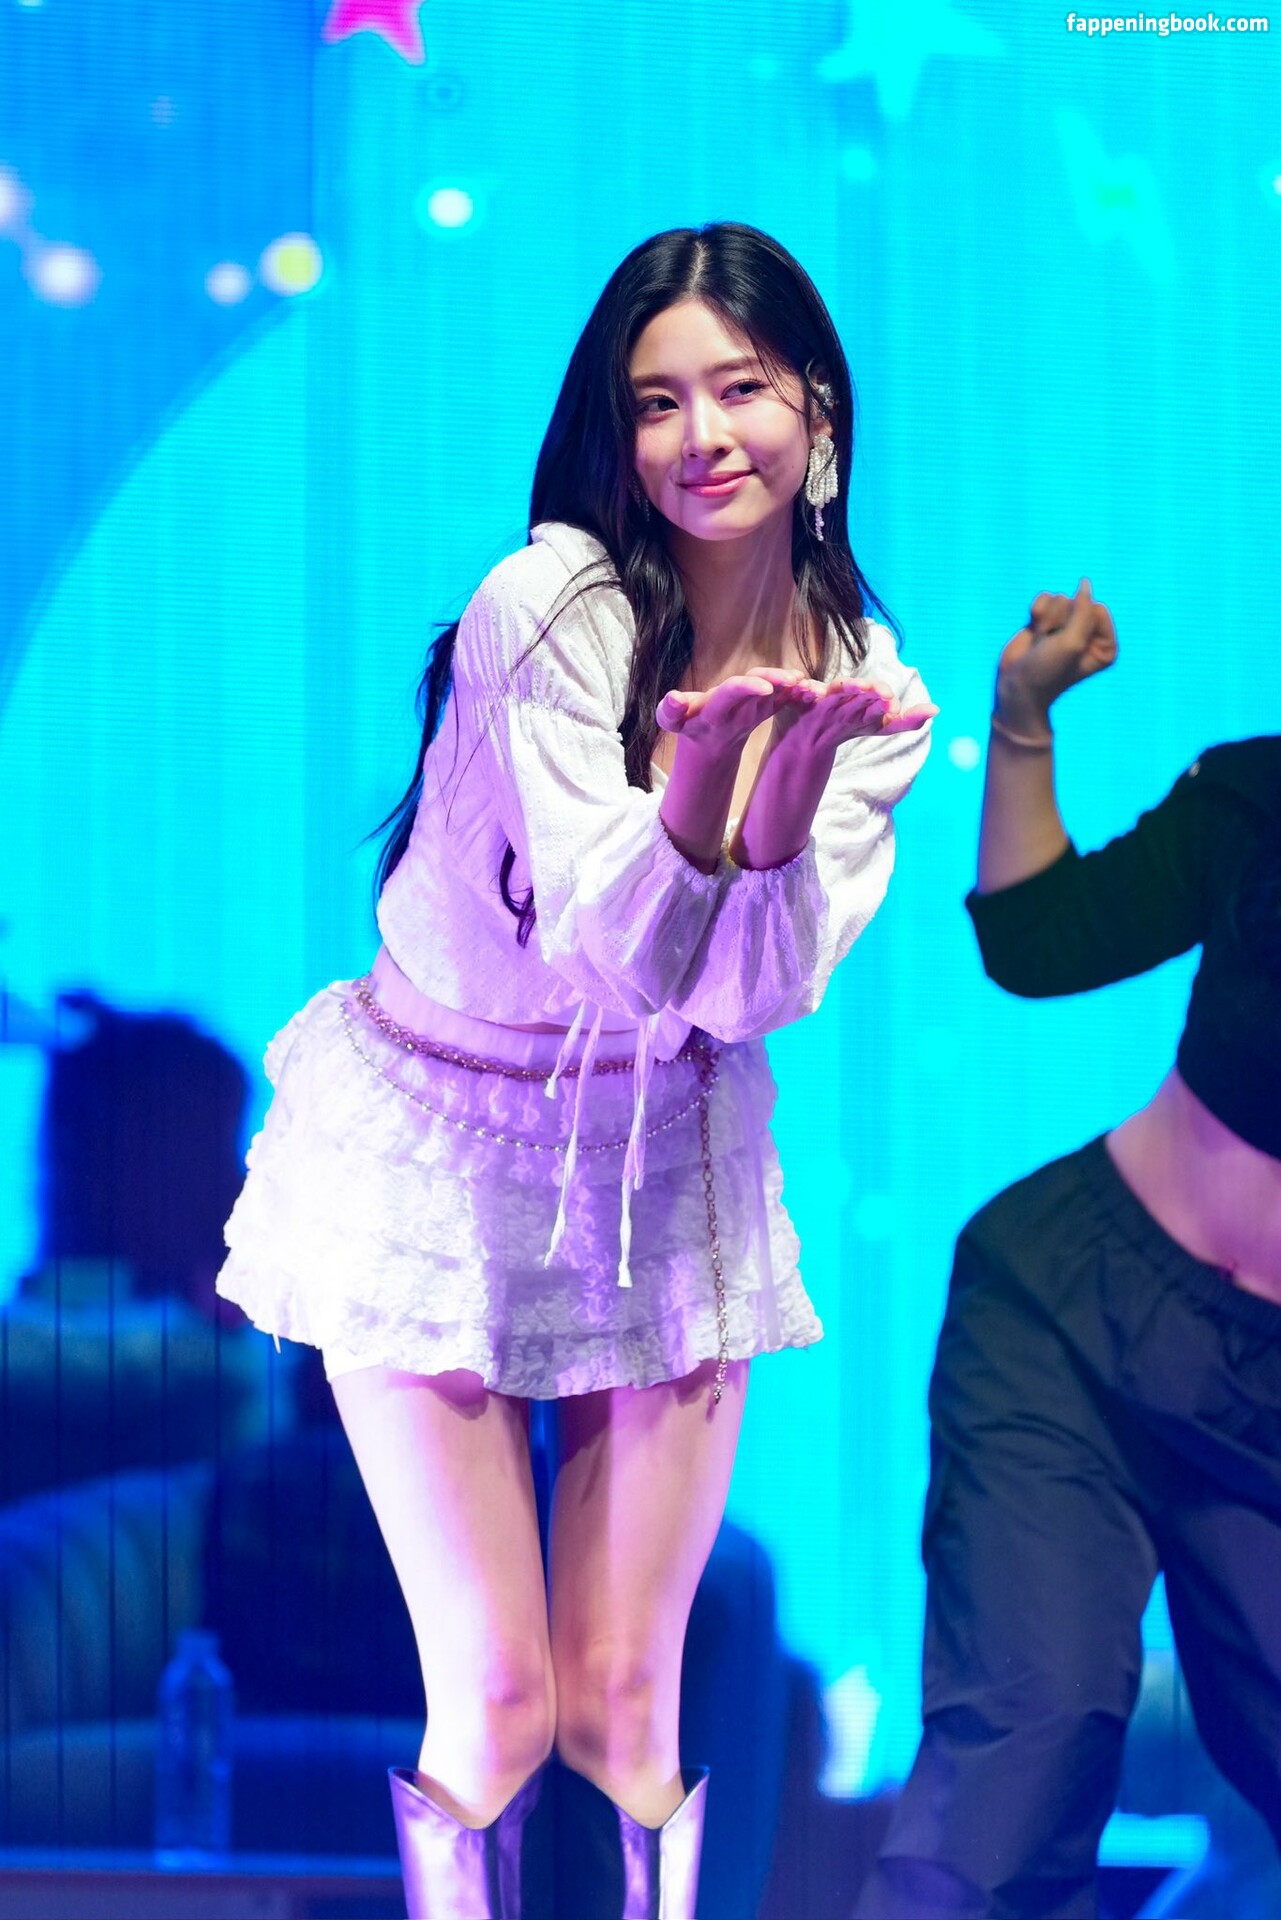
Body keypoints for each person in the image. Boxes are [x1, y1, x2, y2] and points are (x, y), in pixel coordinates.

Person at [217, 222, 933, 1920]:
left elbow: (749, 991)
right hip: (434, 1139)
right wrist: (704, 794)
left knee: (626, 1699)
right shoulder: (544, 604)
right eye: (655, 402)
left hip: (661, 1150)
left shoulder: (857, 679)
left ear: (817, 416)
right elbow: (619, 936)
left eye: (738, 390)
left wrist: (773, 805)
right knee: (499, 1696)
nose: (703, 437)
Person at [856, 584, 1281, 1919]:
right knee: (1019, 1768)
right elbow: (1038, 941)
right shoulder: (1262, 800)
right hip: (1074, 1321)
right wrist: (1022, 722)